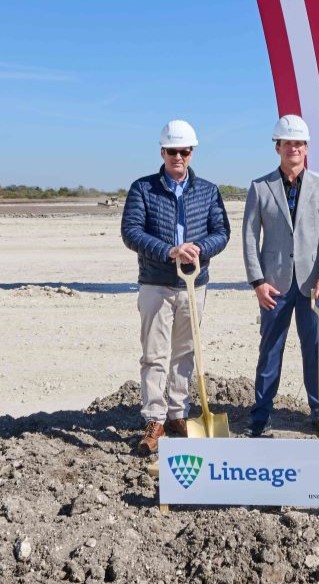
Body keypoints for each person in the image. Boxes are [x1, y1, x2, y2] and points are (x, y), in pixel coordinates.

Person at [119, 119, 230, 453]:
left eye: (183, 151)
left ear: (191, 153)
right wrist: (169, 251)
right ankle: (155, 418)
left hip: (194, 285)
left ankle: (178, 413)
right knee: (154, 354)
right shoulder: (143, 188)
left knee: (185, 352)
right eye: (171, 151)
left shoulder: (208, 191)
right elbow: (131, 232)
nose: (177, 157)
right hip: (156, 283)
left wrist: (199, 249)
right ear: (162, 152)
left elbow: (221, 231)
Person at [241, 115, 319, 438]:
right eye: (287, 143)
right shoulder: (260, 188)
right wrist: (257, 282)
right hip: (274, 285)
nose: (293, 148)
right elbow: (248, 237)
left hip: (313, 285)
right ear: (278, 147)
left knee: (315, 349)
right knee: (270, 350)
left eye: (298, 143)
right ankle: (260, 414)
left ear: (306, 148)